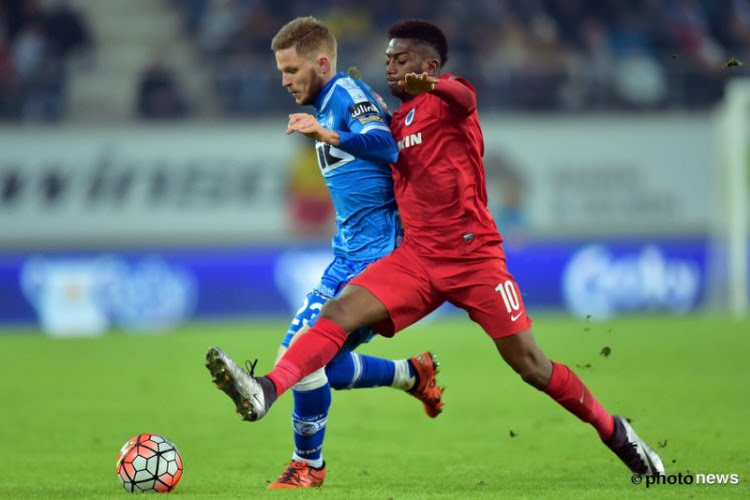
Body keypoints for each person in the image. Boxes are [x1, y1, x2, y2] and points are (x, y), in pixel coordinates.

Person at [206, 19, 665, 480]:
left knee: (531, 365)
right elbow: (377, 144)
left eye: (401, 59)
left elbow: (463, 97)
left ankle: (615, 431)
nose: (390, 67)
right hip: (417, 260)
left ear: (429, 65)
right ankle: (267, 389)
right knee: (336, 315)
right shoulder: (395, 120)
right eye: (386, 60)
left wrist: (427, 86)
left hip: (474, 259)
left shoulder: (452, 103)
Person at [205, 17, 444, 490]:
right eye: (280, 71)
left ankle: (307, 465)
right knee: (323, 365)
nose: (284, 81)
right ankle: (410, 374)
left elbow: (386, 144)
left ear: (321, 62)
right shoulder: (328, 102)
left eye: (291, 70)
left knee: (299, 354)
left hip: (378, 257)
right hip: (351, 254)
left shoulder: (346, 96)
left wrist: (329, 135)